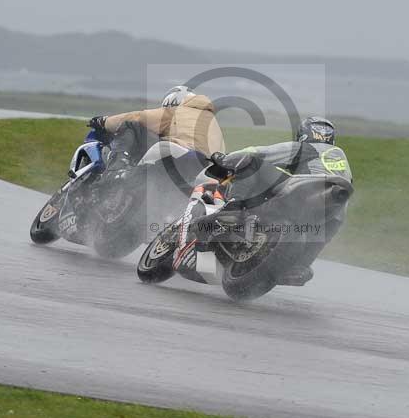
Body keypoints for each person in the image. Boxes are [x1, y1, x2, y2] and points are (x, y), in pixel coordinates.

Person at [174, 116, 352, 283]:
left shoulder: (308, 148)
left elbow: (260, 152)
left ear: (304, 134)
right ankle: (297, 265)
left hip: (307, 189)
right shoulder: (339, 160)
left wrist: (226, 159)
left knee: (252, 161)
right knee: (319, 237)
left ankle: (233, 208)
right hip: (334, 210)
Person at [88, 85, 226, 171]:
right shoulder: (214, 123)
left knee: (131, 125)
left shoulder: (176, 111)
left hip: (181, 153)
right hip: (208, 168)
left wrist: (103, 121)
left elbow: (138, 117)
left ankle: (116, 170)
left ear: (172, 102)